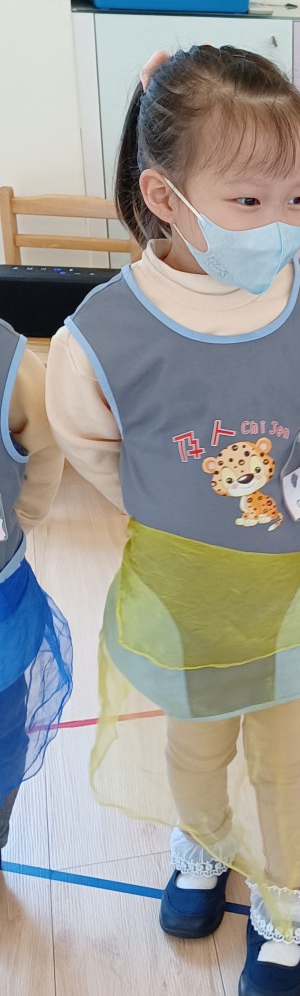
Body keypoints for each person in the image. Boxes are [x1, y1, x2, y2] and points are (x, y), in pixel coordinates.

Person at [45, 45, 300, 996]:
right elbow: (88, 439)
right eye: (249, 200)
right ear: (164, 195)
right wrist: (160, 506)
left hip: (295, 588)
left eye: (299, 198)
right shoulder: (103, 333)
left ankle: (287, 910)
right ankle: (201, 846)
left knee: (287, 760)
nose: (281, 224)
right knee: (195, 746)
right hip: (184, 595)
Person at [0, 317, 71, 865]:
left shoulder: (11, 361)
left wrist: (24, 513)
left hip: (2, 596)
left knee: (4, 728)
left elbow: (45, 443)